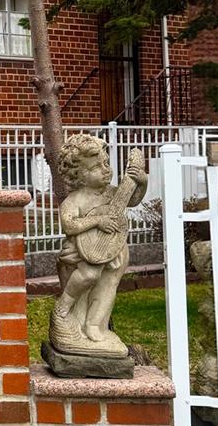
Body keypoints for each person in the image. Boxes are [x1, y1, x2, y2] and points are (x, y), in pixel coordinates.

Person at [50, 134, 147, 355]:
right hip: (85, 253)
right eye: (97, 167)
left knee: (108, 287)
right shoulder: (75, 201)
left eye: (106, 163)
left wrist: (142, 181)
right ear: (79, 175)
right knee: (89, 277)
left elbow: (132, 199)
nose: (106, 170)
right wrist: (97, 220)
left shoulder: (113, 193)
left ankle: (95, 325)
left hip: (113, 251)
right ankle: (64, 307)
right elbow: (70, 226)